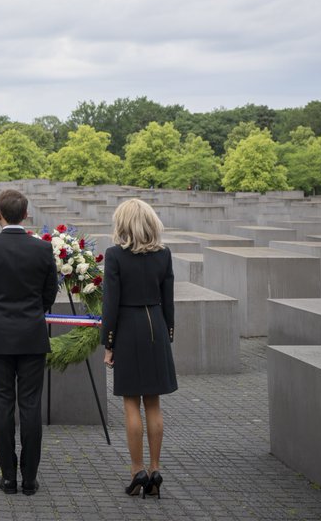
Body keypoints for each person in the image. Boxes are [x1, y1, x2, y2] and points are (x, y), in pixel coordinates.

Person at [0, 189, 58, 496]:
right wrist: (34, 314)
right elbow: (50, 293)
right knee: (31, 407)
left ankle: (8, 476)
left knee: (3, 406)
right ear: (26, 213)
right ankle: (29, 478)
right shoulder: (43, 250)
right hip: (32, 335)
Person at [101, 198, 178, 499]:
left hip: (128, 328)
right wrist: (167, 334)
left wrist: (108, 343)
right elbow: (168, 300)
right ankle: (156, 469)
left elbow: (111, 304)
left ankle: (137, 471)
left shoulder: (114, 255)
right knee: (154, 403)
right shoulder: (164, 255)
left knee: (131, 403)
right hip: (156, 326)